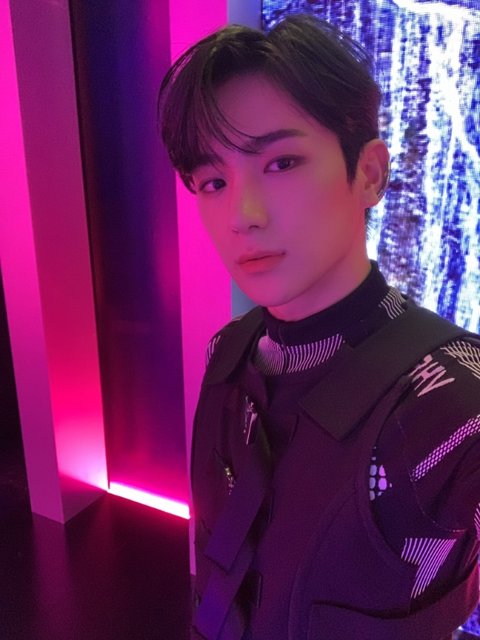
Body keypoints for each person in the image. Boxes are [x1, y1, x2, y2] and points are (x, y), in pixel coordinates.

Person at [158, 14, 480, 640]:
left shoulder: (452, 401)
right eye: (213, 181)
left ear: (369, 173)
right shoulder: (230, 350)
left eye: (282, 163)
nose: (242, 215)